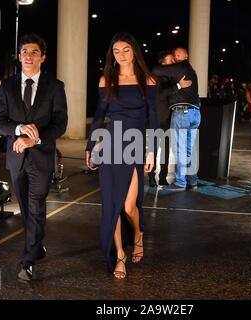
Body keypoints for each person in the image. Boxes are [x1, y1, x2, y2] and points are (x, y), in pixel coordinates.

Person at [0, 34, 68, 281]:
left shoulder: (55, 86)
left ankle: (27, 261)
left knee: (36, 206)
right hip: (16, 159)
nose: (28, 55)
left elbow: (60, 124)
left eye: (34, 51)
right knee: (26, 209)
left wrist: (36, 138)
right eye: (24, 51)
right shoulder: (7, 86)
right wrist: (18, 130)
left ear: (42, 57)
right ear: (19, 56)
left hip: (42, 158)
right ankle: (37, 246)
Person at [85, 32, 157, 279]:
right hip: (111, 145)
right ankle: (120, 256)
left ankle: (137, 233)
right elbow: (98, 116)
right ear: (112, 55)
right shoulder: (107, 79)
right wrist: (90, 146)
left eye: (126, 50)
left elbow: (153, 119)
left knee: (128, 207)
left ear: (134, 51)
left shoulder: (146, 80)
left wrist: (151, 151)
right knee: (112, 206)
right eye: (116, 51)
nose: (121, 55)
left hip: (135, 146)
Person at [152, 47, 201, 191]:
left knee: (180, 149)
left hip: (183, 113)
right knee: (188, 150)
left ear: (182, 57)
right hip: (195, 113)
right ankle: (192, 181)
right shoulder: (190, 69)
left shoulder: (180, 67)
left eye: (175, 56)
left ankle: (180, 183)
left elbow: (155, 69)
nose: (174, 59)